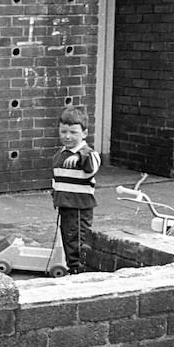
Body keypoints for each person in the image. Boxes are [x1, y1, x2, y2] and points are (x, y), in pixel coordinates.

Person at [52, 105, 101, 274]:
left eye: (73, 132)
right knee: (68, 239)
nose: (67, 136)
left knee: (78, 241)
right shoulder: (60, 154)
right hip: (66, 205)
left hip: (79, 207)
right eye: (64, 132)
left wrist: (79, 156)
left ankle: (78, 271)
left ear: (84, 134)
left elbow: (92, 162)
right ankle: (73, 267)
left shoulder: (86, 154)